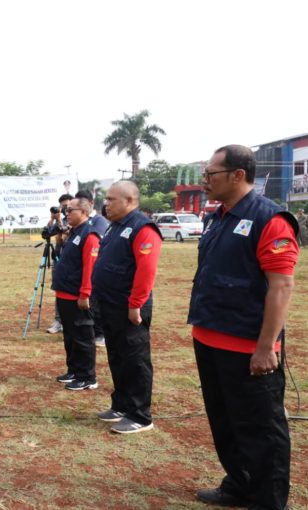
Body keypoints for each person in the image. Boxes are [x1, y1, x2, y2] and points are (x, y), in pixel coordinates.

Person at [188, 145, 298, 510]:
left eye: (210, 175)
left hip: (248, 346)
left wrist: (266, 346)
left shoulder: (271, 220)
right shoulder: (219, 217)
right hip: (210, 336)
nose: (205, 182)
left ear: (238, 175)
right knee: (225, 421)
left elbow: (281, 286)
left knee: (261, 430)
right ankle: (239, 483)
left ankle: (267, 501)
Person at [91, 180, 162, 434]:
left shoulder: (142, 228)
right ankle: (121, 404)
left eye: (111, 200)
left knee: (135, 360)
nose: (106, 204)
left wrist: (136, 305)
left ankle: (140, 415)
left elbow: (146, 271)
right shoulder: (115, 227)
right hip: (109, 304)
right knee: (117, 356)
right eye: (106, 199)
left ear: (130, 201)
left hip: (129, 306)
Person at [51, 197, 101, 390]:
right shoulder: (73, 232)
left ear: (84, 212)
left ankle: (87, 376)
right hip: (64, 293)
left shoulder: (90, 234)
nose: (66, 213)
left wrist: (85, 293)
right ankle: (74, 370)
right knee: (70, 336)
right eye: (66, 210)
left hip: (77, 296)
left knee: (82, 337)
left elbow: (90, 267)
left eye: (70, 210)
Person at [75, 189, 110, 347]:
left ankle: (100, 334)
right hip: (81, 269)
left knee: (95, 303)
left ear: (90, 204)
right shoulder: (79, 224)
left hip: (96, 268)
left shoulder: (99, 221)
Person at [44, 193, 73, 334]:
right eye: (63, 206)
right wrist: (52, 220)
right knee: (59, 288)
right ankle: (58, 320)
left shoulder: (75, 220)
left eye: (68, 206)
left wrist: (60, 222)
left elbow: (66, 237)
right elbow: (47, 234)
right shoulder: (57, 220)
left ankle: (69, 320)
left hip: (71, 260)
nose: (65, 209)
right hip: (58, 258)